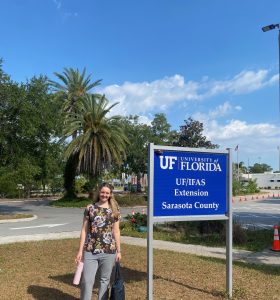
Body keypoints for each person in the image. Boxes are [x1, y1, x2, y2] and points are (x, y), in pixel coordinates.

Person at [75, 182, 122, 300]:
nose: (104, 195)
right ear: (98, 192)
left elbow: (116, 231)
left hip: (109, 251)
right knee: (87, 281)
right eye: (102, 192)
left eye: (107, 193)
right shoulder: (90, 208)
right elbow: (84, 231)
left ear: (110, 194)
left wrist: (119, 251)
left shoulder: (114, 210)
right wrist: (80, 251)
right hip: (91, 250)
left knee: (104, 281)